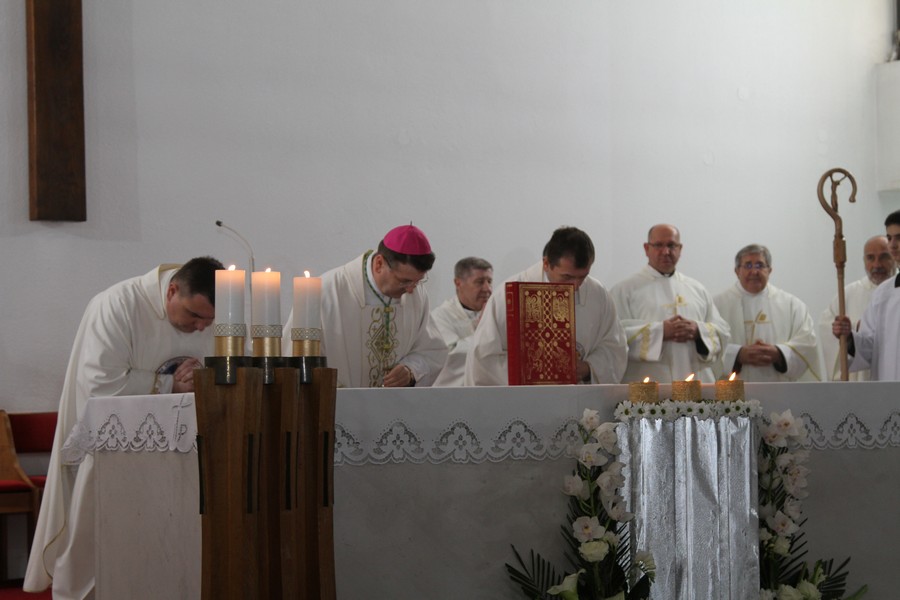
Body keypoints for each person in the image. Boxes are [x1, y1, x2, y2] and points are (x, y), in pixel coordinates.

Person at [25, 257, 222, 598]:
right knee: (102, 542)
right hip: (114, 456)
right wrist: (168, 385)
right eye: (194, 315)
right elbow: (99, 384)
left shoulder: (215, 317)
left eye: (209, 320)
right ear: (172, 291)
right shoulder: (118, 305)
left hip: (184, 456)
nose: (202, 327)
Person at [284, 224, 447, 388]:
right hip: (339, 401)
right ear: (379, 264)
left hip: (393, 403)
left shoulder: (417, 295)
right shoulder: (326, 292)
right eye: (404, 281)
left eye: (418, 282)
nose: (411, 289)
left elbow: (432, 351)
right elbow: (295, 359)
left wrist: (410, 370)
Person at [465, 226, 627, 386]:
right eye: (567, 277)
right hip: (526, 399)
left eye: (582, 277)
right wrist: (537, 373)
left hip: (579, 397)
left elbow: (614, 347)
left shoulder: (597, 294)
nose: (575, 286)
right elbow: (484, 358)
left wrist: (587, 368)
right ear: (546, 263)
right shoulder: (508, 295)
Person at [610, 224, 729, 383]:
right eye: (659, 245)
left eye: (672, 245)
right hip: (649, 386)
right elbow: (614, 337)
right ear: (646, 248)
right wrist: (660, 332)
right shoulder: (624, 290)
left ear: (680, 249)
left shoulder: (697, 289)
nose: (666, 251)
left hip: (695, 384)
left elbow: (722, 331)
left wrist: (698, 331)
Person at [714, 244, 821, 381]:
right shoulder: (717, 306)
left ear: (769, 270)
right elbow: (709, 345)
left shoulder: (793, 306)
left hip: (779, 389)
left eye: (760, 265)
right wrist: (737, 355)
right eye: (748, 265)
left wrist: (779, 353)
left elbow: (807, 343)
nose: (754, 271)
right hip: (732, 390)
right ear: (737, 271)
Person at [832, 210, 900, 380]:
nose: (893, 245)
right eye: (889, 238)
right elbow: (870, 348)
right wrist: (849, 338)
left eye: (899, 238)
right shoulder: (883, 293)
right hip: (888, 389)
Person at [819, 235, 896, 381]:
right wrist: (851, 332)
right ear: (864, 261)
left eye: (884, 257)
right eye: (870, 258)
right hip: (859, 382)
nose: (877, 264)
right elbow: (827, 328)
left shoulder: (895, 291)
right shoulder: (848, 294)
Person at [431, 257, 493, 386]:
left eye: (489, 281)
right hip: (452, 392)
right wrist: (485, 333)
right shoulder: (441, 317)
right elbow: (451, 354)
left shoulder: (495, 314)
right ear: (458, 283)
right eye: (479, 282)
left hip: (488, 390)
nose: (487, 288)